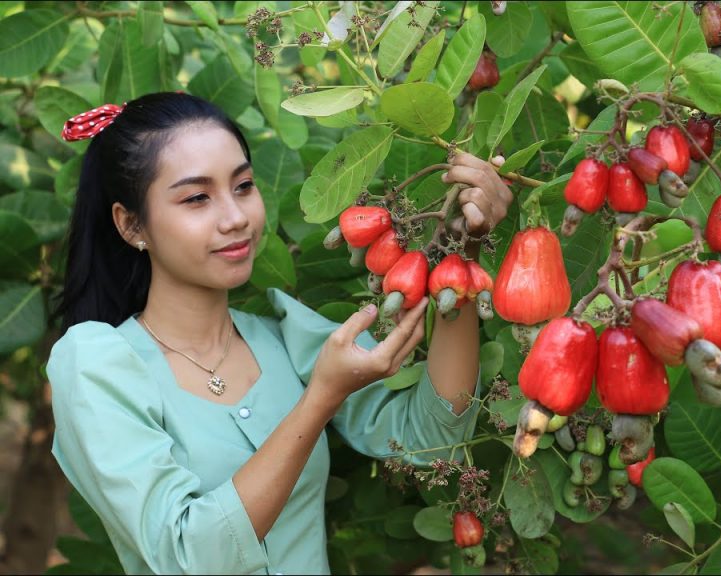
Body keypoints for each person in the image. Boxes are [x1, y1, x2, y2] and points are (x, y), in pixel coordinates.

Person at [46, 91, 513, 574]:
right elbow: (189, 555)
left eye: (243, 186)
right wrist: (321, 398)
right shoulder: (95, 366)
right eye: (197, 197)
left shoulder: (285, 338)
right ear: (130, 224)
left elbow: (436, 436)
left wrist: (463, 249)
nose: (236, 218)